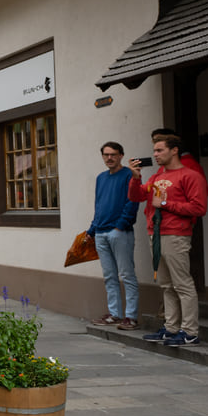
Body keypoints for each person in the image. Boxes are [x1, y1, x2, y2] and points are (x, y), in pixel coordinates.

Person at [130, 134, 207, 347]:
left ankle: (190, 332)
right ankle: (171, 328)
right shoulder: (156, 176)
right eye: (154, 151)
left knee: (182, 283)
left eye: (159, 150)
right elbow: (135, 197)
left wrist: (166, 204)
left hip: (176, 234)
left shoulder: (190, 175)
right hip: (155, 232)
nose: (155, 155)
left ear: (174, 150)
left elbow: (199, 208)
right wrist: (136, 177)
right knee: (166, 285)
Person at [85, 141, 139, 330]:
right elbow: (99, 206)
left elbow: (132, 202)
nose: (109, 158)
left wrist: (120, 226)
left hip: (120, 232)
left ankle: (131, 316)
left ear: (121, 155)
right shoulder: (101, 178)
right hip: (100, 232)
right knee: (109, 276)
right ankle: (115, 314)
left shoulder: (128, 175)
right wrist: (92, 230)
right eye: (106, 155)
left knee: (127, 274)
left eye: (113, 154)